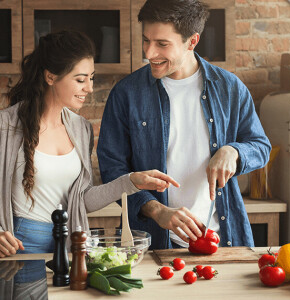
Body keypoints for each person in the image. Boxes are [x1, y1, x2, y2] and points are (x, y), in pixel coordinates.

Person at [97, 0, 271, 250]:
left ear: (192, 41)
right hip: (155, 244)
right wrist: (157, 210)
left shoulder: (230, 88)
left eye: (162, 44)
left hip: (222, 240)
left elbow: (261, 147)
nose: (148, 53)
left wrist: (232, 151)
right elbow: (113, 171)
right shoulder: (126, 94)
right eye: (146, 40)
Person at [0, 30, 179, 258]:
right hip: (20, 246)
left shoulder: (81, 128)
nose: (89, 88)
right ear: (51, 77)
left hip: (71, 245)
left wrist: (131, 181)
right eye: (80, 80)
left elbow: (81, 200)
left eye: (91, 78)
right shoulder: (5, 126)